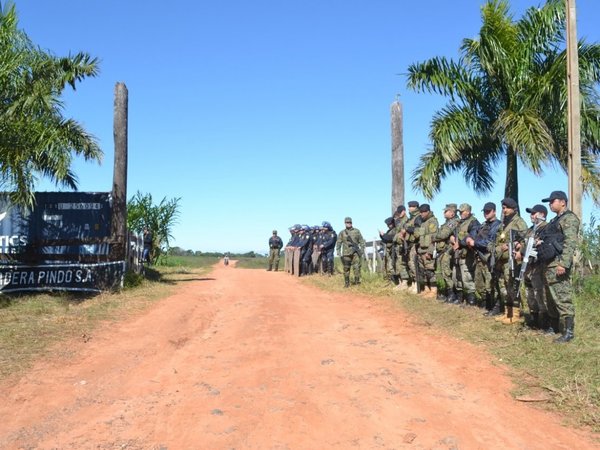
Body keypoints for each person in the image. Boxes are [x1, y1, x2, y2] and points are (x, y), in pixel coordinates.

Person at [539, 191, 580, 343]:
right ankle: (554, 327)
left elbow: (570, 243)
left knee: (563, 298)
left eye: (552, 201)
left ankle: (569, 332)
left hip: (558, 265)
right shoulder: (554, 220)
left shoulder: (569, 218)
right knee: (550, 298)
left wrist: (564, 263)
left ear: (563, 202)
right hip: (548, 265)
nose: (550, 204)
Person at [492, 198, 528, 324]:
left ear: (514, 209)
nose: (504, 210)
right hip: (501, 260)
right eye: (503, 208)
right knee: (504, 287)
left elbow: (526, 239)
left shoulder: (519, 222)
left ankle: (516, 314)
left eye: (506, 208)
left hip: (512, 260)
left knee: (513, 286)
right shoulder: (503, 223)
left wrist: (518, 246)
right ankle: (508, 313)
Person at [515, 204, 548, 330]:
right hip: (528, 266)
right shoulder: (530, 229)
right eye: (531, 213)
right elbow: (525, 242)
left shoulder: (546, 228)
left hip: (538, 266)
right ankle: (533, 320)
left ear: (542, 215)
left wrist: (522, 250)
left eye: (534, 213)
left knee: (539, 293)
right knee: (529, 294)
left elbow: (537, 244)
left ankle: (544, 322)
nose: (531, 216)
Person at [467, 202, 501, 310]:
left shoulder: (498, 225)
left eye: (488, 211)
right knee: (479, 283)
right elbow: (472, 235)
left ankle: (493, 306)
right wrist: (468, 239)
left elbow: (490, 242)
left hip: (488, 258)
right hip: (479, 257)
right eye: (485, 211)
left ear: (494, 211)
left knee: (490, 285)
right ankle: (485, 303)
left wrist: (475, 243)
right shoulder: (483, 225)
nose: (486, 213)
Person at [451, 203, 480, 305]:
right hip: (457, 254)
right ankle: (460, 297)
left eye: (462, 212)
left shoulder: (474, 223)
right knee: (456, 276)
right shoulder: (459, 222)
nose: (461, 214)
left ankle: (471, 299)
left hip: (467, 254)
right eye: (459, 212)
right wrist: (452, 238)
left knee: (467, 277)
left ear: (468, 211)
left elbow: (472, 237)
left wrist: (459, 243)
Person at [433, 204, 460, 302]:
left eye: (446, 211)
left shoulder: (453, 222)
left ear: (452, 213)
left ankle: (452, 294)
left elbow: (443, 234)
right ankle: (449, 293)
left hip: (448, 251)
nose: (444, 213)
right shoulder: (447, 222)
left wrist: (433, 237)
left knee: (446, 272)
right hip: (443, 251)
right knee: (444, 272)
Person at [415, 204, 439, 292]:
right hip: (421, 250)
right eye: (420, 212)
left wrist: (430, 251)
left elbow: (434, 238)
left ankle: (433, 290)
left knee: (430, 270)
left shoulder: (432, 221)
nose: (421, 214)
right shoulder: (423, 223)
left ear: (428, 212)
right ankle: (426, 288)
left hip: (428, 250)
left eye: (423, 212)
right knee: (423, 271)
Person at [336, 217, 365, 288]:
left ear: (351, 223)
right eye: (347, 222)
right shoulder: (342, 233)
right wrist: (338, 251)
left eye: (349, 222)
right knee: (346, 268)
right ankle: (346, 283)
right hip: (346, 254)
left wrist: (362, 249)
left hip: (355, 253)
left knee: (357, 268)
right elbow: (339, 242)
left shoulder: (357, 231)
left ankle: (357, 283)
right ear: (345, 223)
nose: (348, 224)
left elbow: (361, 241)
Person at [379, 217, 399, 286]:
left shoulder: (395, 230)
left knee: (392, 266)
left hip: (393, 250)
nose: (388, 226)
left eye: (389, 224)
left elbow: (390, 238)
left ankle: (396, 281)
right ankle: (391, 281)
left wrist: (384, 235)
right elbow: (385, 239)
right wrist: (382, 236)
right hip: (388, 251)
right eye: (387, 224)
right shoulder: (389, 231)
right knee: (388, 267)